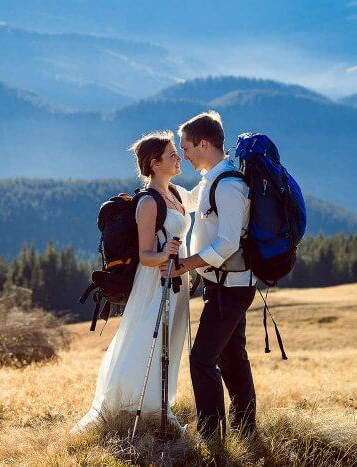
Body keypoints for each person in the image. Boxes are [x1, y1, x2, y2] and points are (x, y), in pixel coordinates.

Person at [71, 130, 195, 433]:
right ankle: (139, 406)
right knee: (145, 341)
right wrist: (164, 252)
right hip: (155, 282)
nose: (178, 158)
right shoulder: (148, 203)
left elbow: (202, 198)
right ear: (154, 163)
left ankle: (160, 405)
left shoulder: (176, 193)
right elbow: (145, 255)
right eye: (171, 155)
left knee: (172, 342)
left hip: (177, 282)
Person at [161, 111, 258, 441]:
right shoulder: (212, 179)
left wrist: (186, 264)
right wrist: (159, 184)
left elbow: (228, 242)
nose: (183, 154)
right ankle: (245, 429)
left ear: (204, 144)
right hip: (222, 284)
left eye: (186, 147)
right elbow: (192, 203)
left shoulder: (229, 185)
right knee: (232, 357)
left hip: (232, 287)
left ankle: (212, 435)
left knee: (202, 359)